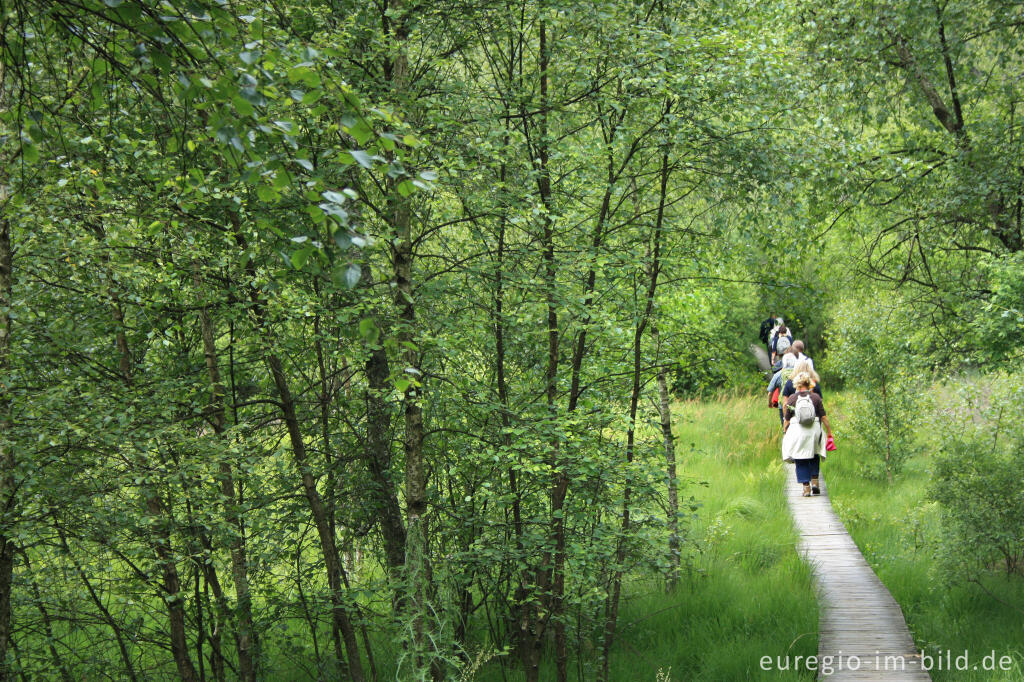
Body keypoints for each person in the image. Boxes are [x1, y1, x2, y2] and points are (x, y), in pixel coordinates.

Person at [782, 371, 833, 497]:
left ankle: (806, 487)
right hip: (814, 430)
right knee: (814, 454)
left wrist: (785, 432)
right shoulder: (815, 397)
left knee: (800, 458)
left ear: (797, 385)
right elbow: (824, 417)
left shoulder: (792, 399)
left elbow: (787, 419)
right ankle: (815, 482)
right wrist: (829, 432)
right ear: (809, 383)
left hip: (799, 432)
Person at [779, 359, 820, 427]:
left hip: (794, 421)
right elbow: (820, 404)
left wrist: (786, 421)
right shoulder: (814, 383)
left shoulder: (789, 383)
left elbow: (785, 405)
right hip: (813, 420)